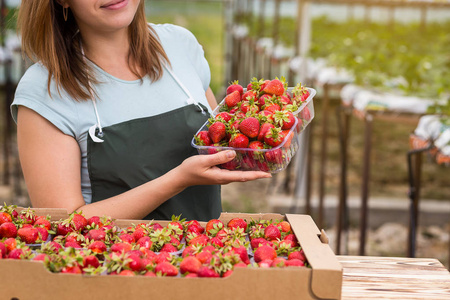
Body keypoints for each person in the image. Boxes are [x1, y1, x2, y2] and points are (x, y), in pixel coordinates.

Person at [11, 0, 271, 221]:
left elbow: (227, 145)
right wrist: (178, 180)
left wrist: (268, 133)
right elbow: (63, 224)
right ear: (61, 1)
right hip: (112, 271)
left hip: (205, 263)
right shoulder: (45, 89)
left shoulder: (180, 46)